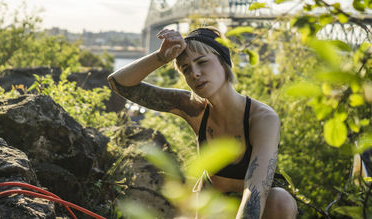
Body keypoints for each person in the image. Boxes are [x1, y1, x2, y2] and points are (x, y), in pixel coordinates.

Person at [107, 27, 298, 219]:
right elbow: (118, 83)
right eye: (186, 69)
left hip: (262, 209)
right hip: (213, 206)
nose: (195, 74)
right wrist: (161, 57)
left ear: (224, 64)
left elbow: (255, 191)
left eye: (202, 62)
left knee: (280, 200)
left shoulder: (262, 118)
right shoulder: (193, 109)